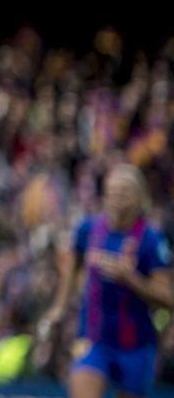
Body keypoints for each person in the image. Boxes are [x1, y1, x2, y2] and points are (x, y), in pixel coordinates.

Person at [39, 164, 173, 398]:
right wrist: (59, 307)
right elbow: (72, 266)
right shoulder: (88, 229)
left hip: (136, 345)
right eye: (113, 191)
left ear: (140, 197)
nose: (118, 198)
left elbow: (167, 299)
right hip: (94, 339)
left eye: (125, 192)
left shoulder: (152, 240)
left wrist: (131, 280)